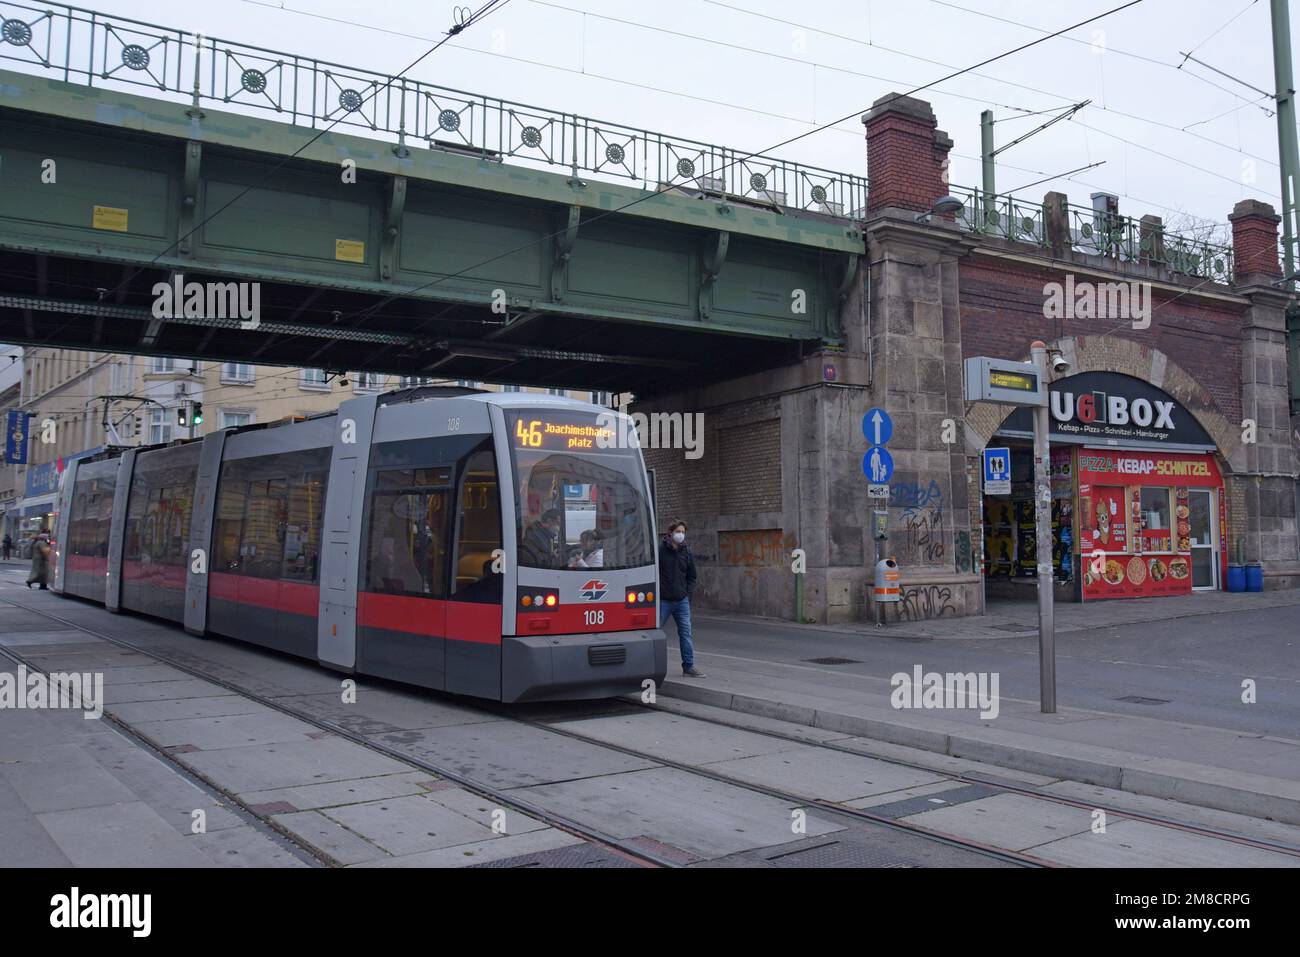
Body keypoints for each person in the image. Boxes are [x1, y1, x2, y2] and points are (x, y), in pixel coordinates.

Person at [658, 519, 703, 678]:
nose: (681, 535)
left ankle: (689, 666)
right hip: (663, 601)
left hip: (681, 600)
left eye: (683, 532)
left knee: (686, 633)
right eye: (678, 532)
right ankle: (648, 666)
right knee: (653, 632)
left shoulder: (686, 551)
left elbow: (692, 576)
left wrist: (687, 595)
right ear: (670, 533)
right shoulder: (660, 550)